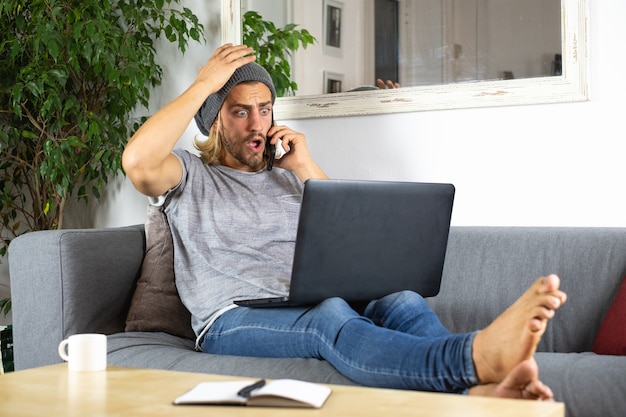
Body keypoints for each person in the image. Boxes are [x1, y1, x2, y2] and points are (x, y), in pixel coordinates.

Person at [122, 44, 567, 399]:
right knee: (329, 314)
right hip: (231, 317)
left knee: (401, 300)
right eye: (241, 111)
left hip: (300, 300)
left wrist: (305, 167)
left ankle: (481, 389)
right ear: (214, 121)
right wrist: (203, 85)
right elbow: (138, 162)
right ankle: (472, 360)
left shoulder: (288, 177)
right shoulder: (188, 173)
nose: (258, 124)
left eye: (265, 109)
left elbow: (350, 237)